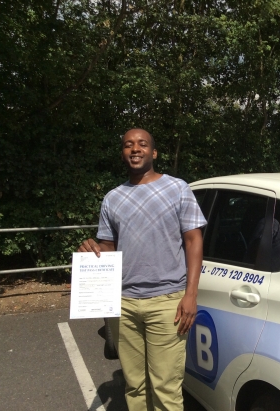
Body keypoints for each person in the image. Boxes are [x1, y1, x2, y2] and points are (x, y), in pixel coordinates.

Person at [77, 128, 206, 411]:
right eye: (128, 145)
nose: (135, 149)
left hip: (167, 302)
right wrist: (92, 248)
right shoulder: (112, 198)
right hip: (123, 304)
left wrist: (191, 295)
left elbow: (194, 240)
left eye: (142, 144)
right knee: (134, 386)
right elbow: (108, 246)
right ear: (123, 153)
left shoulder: (177, 188)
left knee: (166, 388)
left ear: (153, 153)